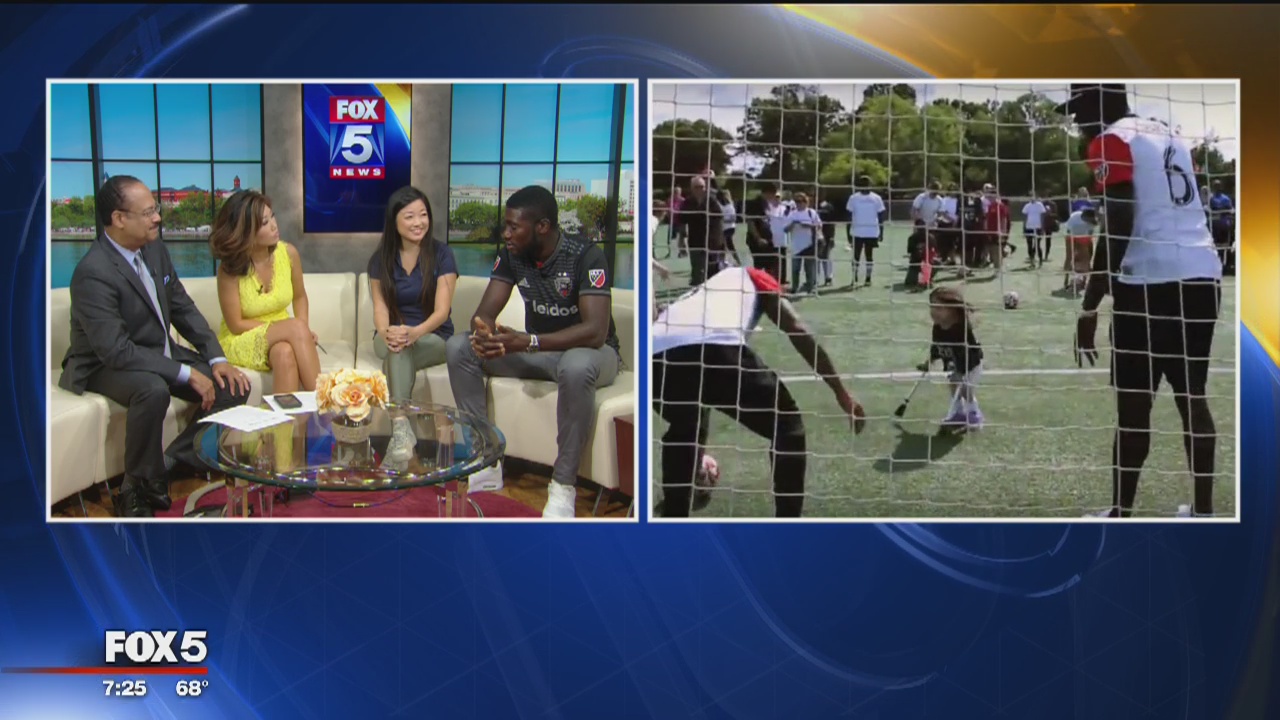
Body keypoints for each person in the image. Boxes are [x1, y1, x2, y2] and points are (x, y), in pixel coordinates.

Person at [1063, 83, 1223, 519]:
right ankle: (1204, 513)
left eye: (1079, 109)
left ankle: (1120, 513)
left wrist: (1090, 304)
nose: (1076, 120)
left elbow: (1118, 221)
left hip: (1149, 282)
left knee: (1134, 404)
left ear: (1101, 103)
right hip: (1202, 274)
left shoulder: (1111, 138)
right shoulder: (1170, 134)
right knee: (1193, 397)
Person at [59, 176, 251, 517]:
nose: (158, 218)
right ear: (119, 219)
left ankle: (166, 464)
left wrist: (217, 358)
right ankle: (133, 487)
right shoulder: (94, 272)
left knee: (233, 385)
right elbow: (115, 350)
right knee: (152, 389)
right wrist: (185, 373)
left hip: (157, 352)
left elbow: (183, 309)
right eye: (148, 212)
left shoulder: (155, 250)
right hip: (103, 365)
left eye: (156, 209)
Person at [445, 185, 621, 519]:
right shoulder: (511, 254)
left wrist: (528, 341)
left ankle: (563, 487)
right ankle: (485, 460)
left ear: (541, 226)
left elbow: (595, 331)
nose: (505, 233)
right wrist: (485, 333)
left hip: (593, 355)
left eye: (514, 227)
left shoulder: (586, 255)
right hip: (540, 353)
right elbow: (484, 313)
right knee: (459, 347)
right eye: (505, 226)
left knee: (576, 365)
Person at [651, 265, 864, 517]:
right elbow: (796, 328)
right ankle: (788, 523)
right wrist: (840, 392)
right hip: (714, 345)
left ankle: (673, 513)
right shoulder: (754, 276)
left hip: (654, 358)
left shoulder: (704, 291)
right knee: (787, 424)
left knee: (687, 425)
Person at [210, 191, 321, 394]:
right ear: (245, 232)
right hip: (242, 336)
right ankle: (324, 409)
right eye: (264, 222)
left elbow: (299, 296)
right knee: (294, 330)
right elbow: (235, 324)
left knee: (284, 353)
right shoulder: (229, 269)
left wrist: (301, 330)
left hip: (285, 333)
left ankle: (287, 425)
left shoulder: (288, 253)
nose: (274, 225)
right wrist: (292, 329)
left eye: (273, 217)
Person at [367, 187, 458, 404]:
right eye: (409, 216)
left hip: (433, 336)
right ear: (394, 221)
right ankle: (402, 427)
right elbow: (380, 308)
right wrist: (385, 332)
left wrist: (415, 333)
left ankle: (400, 427)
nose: (418, 222)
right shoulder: (380, 259)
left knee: (397, 355)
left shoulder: (442, 255)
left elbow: (442, 312)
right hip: (391, 336)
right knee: (397, 349)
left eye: (423, 214)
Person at [917, 286, 985, 430]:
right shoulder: (938, 327)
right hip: (954, 365)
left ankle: (974, 413)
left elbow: (967, 352)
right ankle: (959, 414)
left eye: (939, 308)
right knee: (954, 387)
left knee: (966, 390)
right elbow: (936, 346)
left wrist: (961, 370)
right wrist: (929, 362)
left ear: (953, 310)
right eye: (932, 307)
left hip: (971, 365)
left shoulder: (961, 329)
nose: (934, 312)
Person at [679, 175, 724, 285]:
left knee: (713, 268)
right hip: (695, 240)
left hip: (712, 241)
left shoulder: (712, 201)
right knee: (697, 269)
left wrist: (721, 240)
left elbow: (719, 219)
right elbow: (683, 222)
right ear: (691, 188)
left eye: (702, 186)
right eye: (696, 187)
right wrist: (681, 240)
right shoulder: (687, 203)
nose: (700, 189)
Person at [846, 176, 887, 286]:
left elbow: (881, 216)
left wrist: (881, 232)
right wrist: (848, 234)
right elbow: (849, 217)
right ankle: (854, 277)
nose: (866, 186)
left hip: (871, 232)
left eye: (867, 184)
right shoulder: (853, 198)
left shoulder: (876, 198)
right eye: (863, 184)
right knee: (856, 256)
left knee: (869, 256)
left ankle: (868, 278)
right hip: (857, 232)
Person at [785, 192, 821, 295]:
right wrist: (793, 224)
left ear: (806, 202)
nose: (799, 203)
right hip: (796, 245)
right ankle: (795, 287)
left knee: (809, 269)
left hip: (810, 245)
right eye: (797, 201)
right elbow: (785, 230)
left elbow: (818, 225)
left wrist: (807, 225)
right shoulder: (792, 214)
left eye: (801, 201)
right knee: (795, 269)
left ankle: (810, 288)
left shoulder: (811, 212)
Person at [1061, 207, 1099, 290]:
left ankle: (1084, 281)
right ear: (1084, 216)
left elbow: (1090, 234)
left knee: (1086, 258)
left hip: (1083, 236)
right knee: (1069, 257)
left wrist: (1087, 244)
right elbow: (1068, 230)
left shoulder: (1092, 221)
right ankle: (1066, 281)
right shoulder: (1075, 216)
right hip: (1071, 236)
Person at [1207, 180, 1235, 275]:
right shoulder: (1211, 199)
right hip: (1214, 226)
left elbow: (1229, 210)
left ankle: (1226, 265)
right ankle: (1217, 265)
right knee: (1215, 245)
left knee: (1225, 245)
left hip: (1224, 225)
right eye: (1215, 186)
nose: (1216, 188)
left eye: (1218, 186)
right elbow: (1209, 209)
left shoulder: (1225, 199)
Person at [717, 189, 744, 268]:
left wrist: (723, 220)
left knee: (728, 245)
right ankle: (722, 262)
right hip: (723, 228)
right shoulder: (719, 205)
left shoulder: (730, 206)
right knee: (723, 245)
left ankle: (738, 261)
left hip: (730, 228)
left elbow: (733, 219)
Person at [1021, 193, 1048, 267]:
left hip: (1038, 227)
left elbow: (1042, 216)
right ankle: (1032, 259)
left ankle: (1040, 260)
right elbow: (1025, 218)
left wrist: (1042, 227)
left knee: (1037, 244)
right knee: (1029, 244)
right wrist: (1024, 228)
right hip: (1029, 227)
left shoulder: (1040, 205)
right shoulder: (1027, 206)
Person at [816, 200, 837, 287]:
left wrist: (832, 237)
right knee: (815, 258)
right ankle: (815, 279)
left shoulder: (828, 206)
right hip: (815, 235)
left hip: (826, 235)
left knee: (825, 257)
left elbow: (832, 223)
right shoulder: (810, 205)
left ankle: (828, 277)